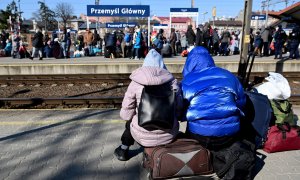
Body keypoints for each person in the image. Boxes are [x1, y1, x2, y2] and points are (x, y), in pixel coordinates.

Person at [114, 49, 183, 161]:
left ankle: (123, 150)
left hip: (141, 134)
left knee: (130, 121)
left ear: (145, 64)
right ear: (162, 64)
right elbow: (179, 111)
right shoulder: (173, 83)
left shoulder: (136, 83)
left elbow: (125, 115)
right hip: (168, 134)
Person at [181, 46, 246, 151]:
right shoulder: (229, 76)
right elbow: (242, 102)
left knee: (192, 115)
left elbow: (181, 108)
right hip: (228, 135)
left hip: (198, 136)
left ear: (189, 63)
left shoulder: (187, 81)